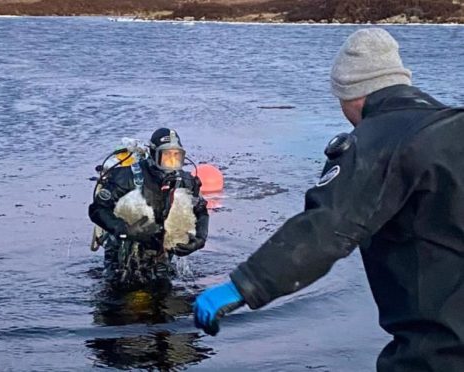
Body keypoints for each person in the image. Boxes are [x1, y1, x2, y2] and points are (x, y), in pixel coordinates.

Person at [193, 28, 464, 371]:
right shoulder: (453, 126)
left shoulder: (376, 142)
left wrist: (245, 284)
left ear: (351, 93)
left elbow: (325, 229)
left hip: (439, 352)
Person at [89, 128, 209, 290]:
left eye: (177, 156)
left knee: (161, 295)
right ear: (154, 154)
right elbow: (97, 210)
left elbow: (201, 211)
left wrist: (199, 240)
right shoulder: (126, 177)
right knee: (118, 296)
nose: (172, 163)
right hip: (122, 252)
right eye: (166, 156)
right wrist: (124, 229)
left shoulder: (186, 182)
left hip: (160, 252)